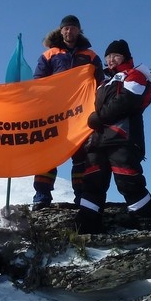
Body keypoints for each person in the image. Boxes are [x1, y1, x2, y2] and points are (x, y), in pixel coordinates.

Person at [76, 39, 151, 234]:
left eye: (115, 56)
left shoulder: (136, 75)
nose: (111, 60)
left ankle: (146, 222)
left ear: (125, 57)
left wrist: (99, 117)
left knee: (128, 181)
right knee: (92, 182)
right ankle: (86, 227)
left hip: (123, 138)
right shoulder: (103, 84)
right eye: (108, 57)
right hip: (98, 141)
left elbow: (127, 100)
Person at [31, 14, 104, 209]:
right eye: (66, 28)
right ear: (61, 30)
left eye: (73, 27)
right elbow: (38, 82)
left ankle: (81, 196)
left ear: (79, 30)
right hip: (54, 113)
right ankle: (41, 196)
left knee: (81, 155)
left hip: (81, 113)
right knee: (47, 154)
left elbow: (100, 84)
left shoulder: (91, 56)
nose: (69, 31)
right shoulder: (49, 54)